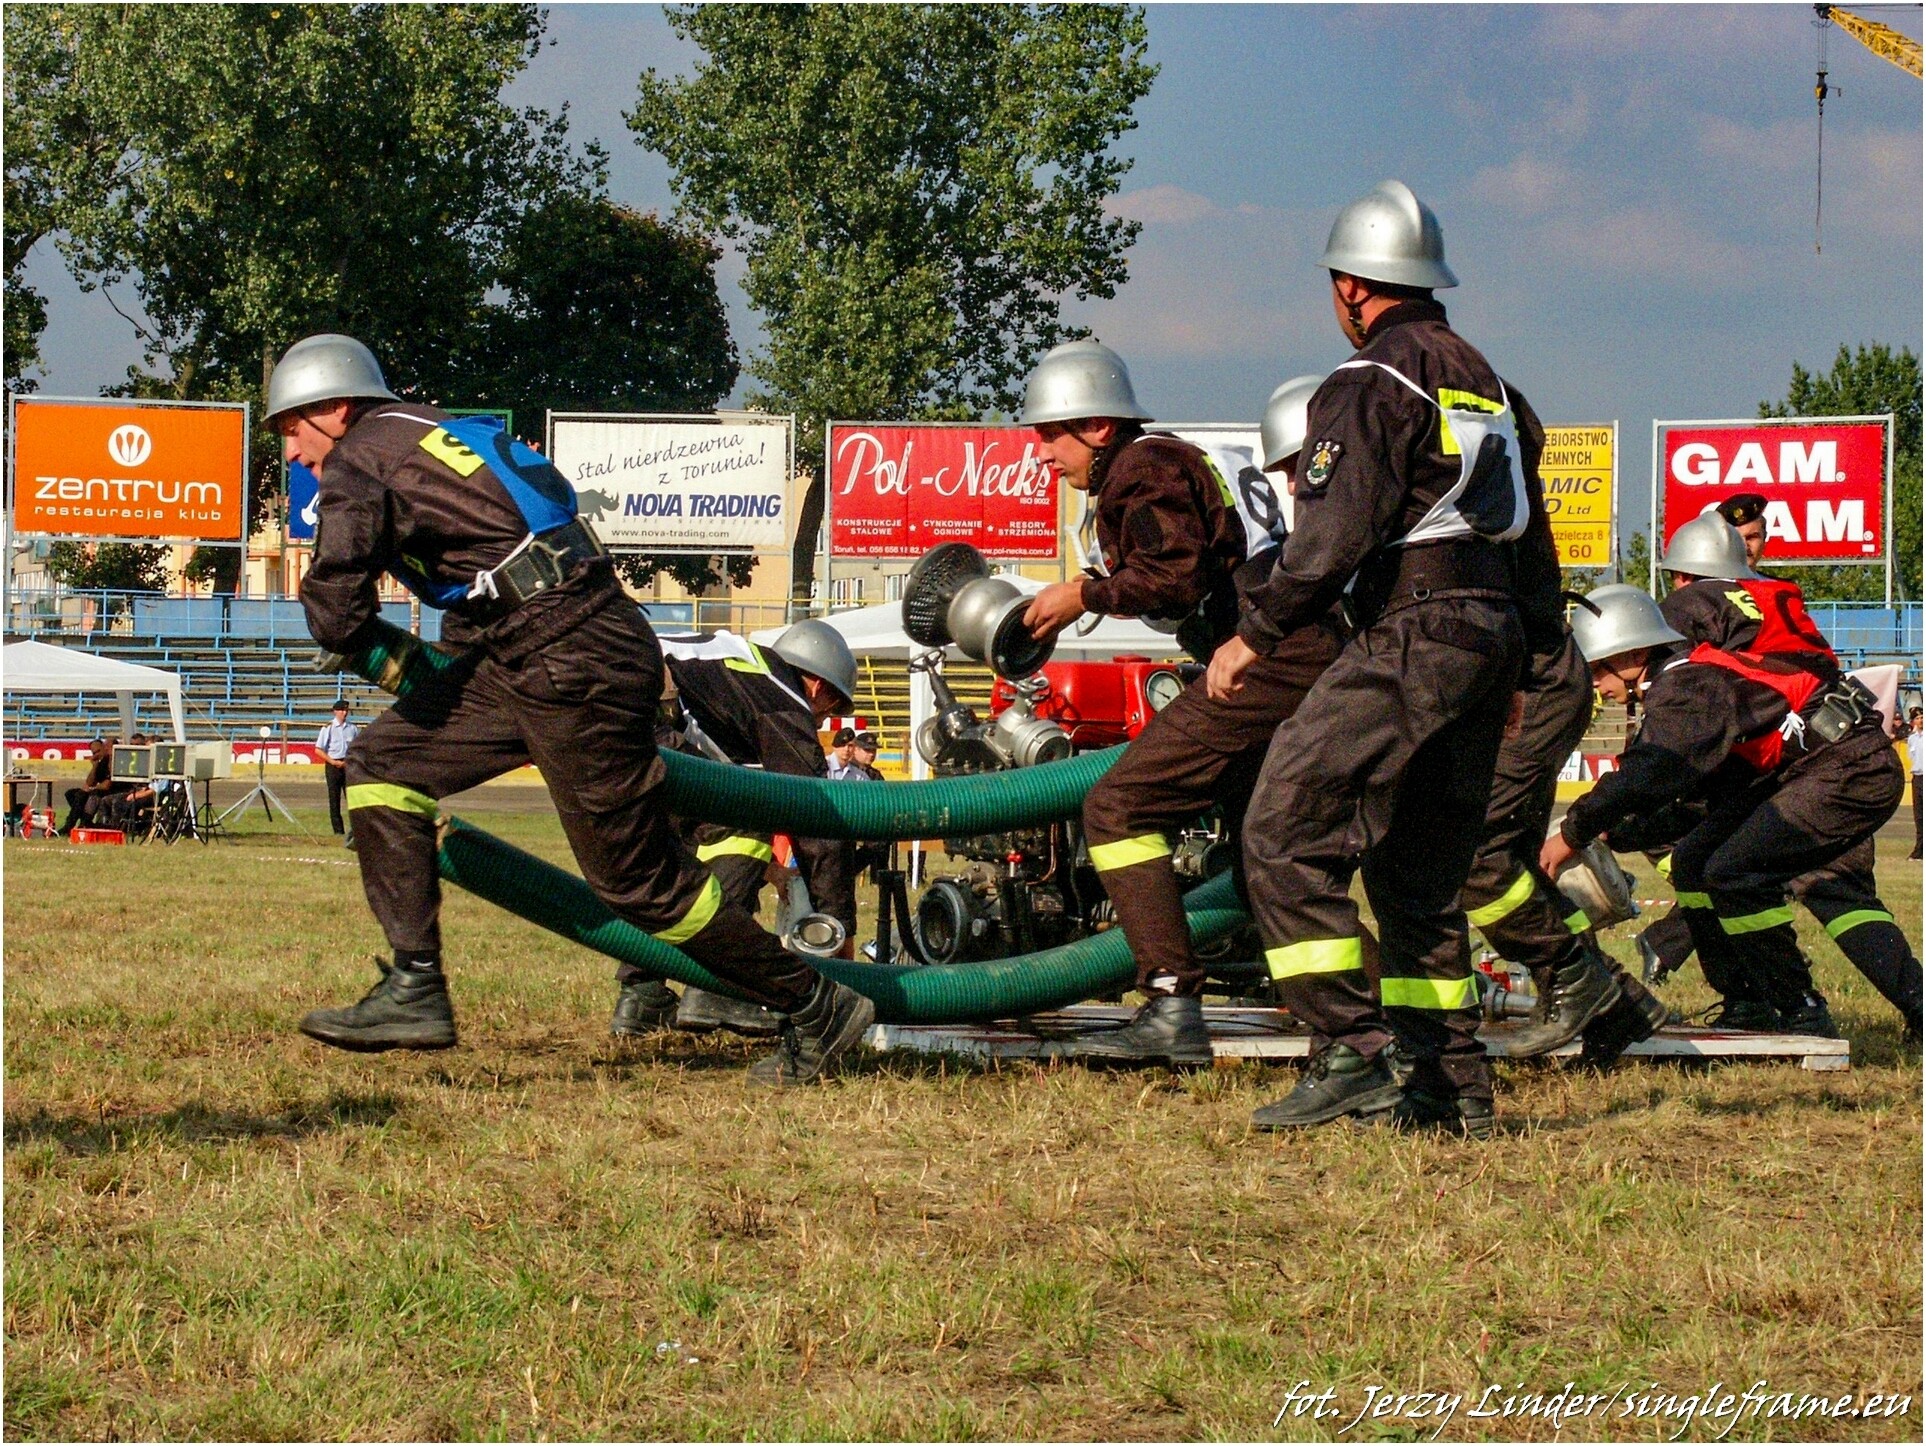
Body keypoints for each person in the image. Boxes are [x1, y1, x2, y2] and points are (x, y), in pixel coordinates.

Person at [273, 332, 872, 1086]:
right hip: (544, 642)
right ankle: (414, 984)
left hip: (563, 655)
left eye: (291, 428)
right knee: (379, 765)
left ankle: (814, 1002)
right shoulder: (447, 431)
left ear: (334, 407)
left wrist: (358, 639)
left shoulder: (360, 455)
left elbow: (335, 605)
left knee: (640, 887)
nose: (292, 453)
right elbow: (528, 525)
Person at [1214, 180, 1542, 1137]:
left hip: (1416, 629)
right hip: (1489, 634)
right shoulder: (1492, 387)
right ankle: (1452, 1090)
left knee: (1282, 828)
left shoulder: (1369, 381)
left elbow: (1330, 536)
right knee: (1418, 876)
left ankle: (1353, 1051)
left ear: (1352, 286)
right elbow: (1534, 539)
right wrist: (1521, 667)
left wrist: (1254, 634)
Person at [1059, 364, 1343, 1068]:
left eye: (1049, 436)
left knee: (1119, 808)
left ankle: (1169, 1004)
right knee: (1266, 858)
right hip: (1305, 646)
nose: (1042, 455)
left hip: (1263, 656)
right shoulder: (1189, 456)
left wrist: (1080, 597)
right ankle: (1362, 1021)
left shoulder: (1139, 467)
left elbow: (1172, 575)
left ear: (1097, 427)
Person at [1545, 585, 1912, 1039]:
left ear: (1634, 654)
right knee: (1692, 862)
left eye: (1599, 667)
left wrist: (1574, 832)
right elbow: (1700, 802)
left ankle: (1800, 1007)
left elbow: (1650, 771)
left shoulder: (1684, 687)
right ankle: (1747, 1001)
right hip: (1815, 768)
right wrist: (1615, 834)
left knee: (1735, 872)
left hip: (1848, 768)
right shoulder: (1685, 684)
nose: (1596, 683)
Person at [610, 623, 860, 1039]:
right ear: (818, 686)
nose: (822, 719)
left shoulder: (735, 678)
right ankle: (715, 985)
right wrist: (838, 926)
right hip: (640, 716)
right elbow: (816, 817)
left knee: (668, 855)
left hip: (606, 708)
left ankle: (642, 993)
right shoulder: (782, 698)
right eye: (830, 707)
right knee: (745, 820)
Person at [315, 699, 358, 839]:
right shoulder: (328, 728)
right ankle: (338, 831)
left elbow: (356, 748)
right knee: (334, 800)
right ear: (335, 711)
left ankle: (356, 829)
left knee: (352, 799)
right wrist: (332, 761)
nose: (344, 713)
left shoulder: (352, 728)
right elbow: (318, 749)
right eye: (341, 710)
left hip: (347, 765)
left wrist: (347, 762)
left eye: (346, 710)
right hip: (333, 765)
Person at [60, 738, 113, 835]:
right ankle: (83, 821)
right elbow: (89, 782)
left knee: (84, 795)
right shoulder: (100, 763)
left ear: (104, 748)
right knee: (71, 793)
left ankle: (71, 825)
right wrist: (94, 766)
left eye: (98, 751)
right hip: (99, 789)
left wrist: (92, 788)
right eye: (94, 753)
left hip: (110, 790)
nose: (96, 755)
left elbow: (107, 785)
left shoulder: (110, 761)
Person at [1714, 492, 1769, 572]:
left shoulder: (1774, 581)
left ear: (1764, 541)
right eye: (1735, 538)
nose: (1744, 546)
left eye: (1751, 537)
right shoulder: (1703, 580)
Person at [1907, 707, 1924, 860]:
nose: (1921, 720)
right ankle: (1919, 849)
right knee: (1919, 816)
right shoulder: (1912, 738)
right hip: (1917, 777)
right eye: (1917, 718)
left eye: (1922, 717)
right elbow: (1912, 758)